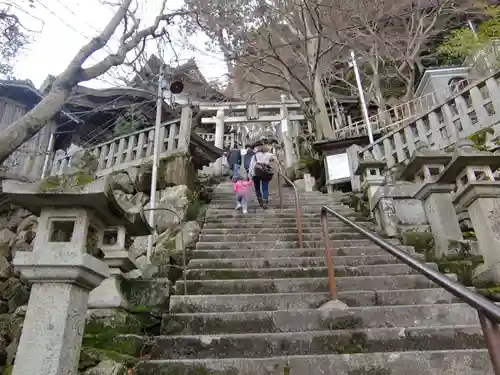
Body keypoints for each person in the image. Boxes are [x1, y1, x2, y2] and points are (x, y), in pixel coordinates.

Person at [248, 144, 278, 209]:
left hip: (256, 173)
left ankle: (260, 201)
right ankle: (265, 202)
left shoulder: (254, 156)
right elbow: (275, 159)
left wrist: (249, 175)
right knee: (265, 187)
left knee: (257, 188)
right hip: (265, 173)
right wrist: (278, 166)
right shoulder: (269, 154)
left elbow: (251, 166)